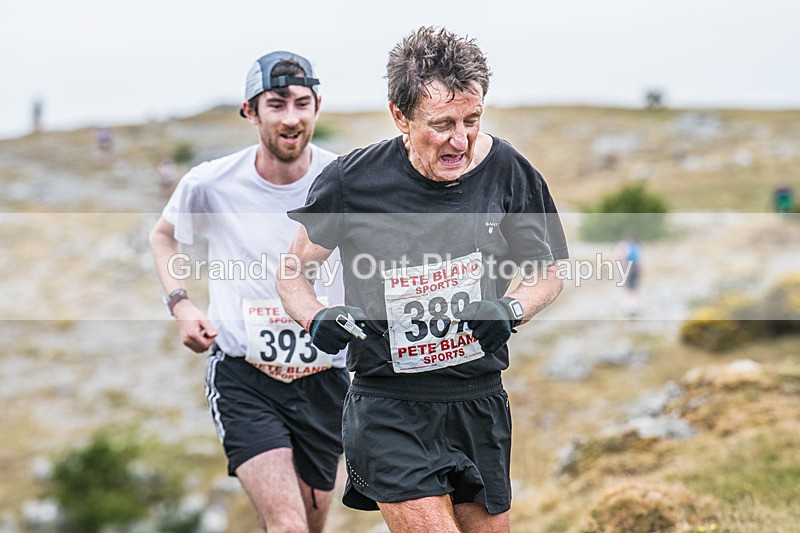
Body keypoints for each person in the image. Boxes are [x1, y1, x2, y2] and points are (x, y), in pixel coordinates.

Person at [276, 27, 569, 532]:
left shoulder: (507, 170)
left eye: (472, 120)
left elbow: (548, 271)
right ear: (400, 116)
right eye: (442, 124)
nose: (460, 139)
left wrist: (510, 308)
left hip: (479, 399)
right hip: (389, 406)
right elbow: (292, 272)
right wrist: (315, 317)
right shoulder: (352, 181)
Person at [149, 51, 349, 533]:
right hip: (245, 376)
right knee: (288, 526)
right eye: (276, 104)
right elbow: (163, 236)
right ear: (250, 111)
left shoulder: (345, 180)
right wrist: (181, 303)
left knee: (310, 526)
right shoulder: (211, 182)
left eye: (302, 103)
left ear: (317, 107)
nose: (291, 117)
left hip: (327, 378)